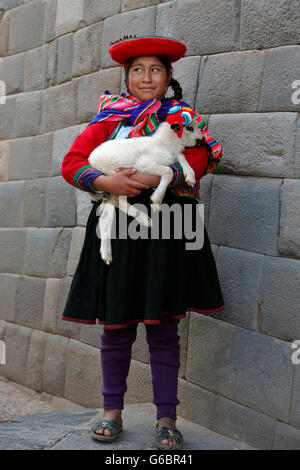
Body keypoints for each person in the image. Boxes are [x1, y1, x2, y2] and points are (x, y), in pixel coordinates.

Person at [61, 35, 225, 450]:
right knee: (117, 325)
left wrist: (153, 179)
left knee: (164, 325)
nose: (146, 77)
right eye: (137, 70)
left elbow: (202, 158)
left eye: (155, 69)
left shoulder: (183, 119)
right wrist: (105, 181)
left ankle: (167, 417)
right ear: (126, 76)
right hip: (120, 228)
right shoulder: (108, 120)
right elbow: (73, 163)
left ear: (168, 76)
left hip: (169, 228)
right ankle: (111, 411)